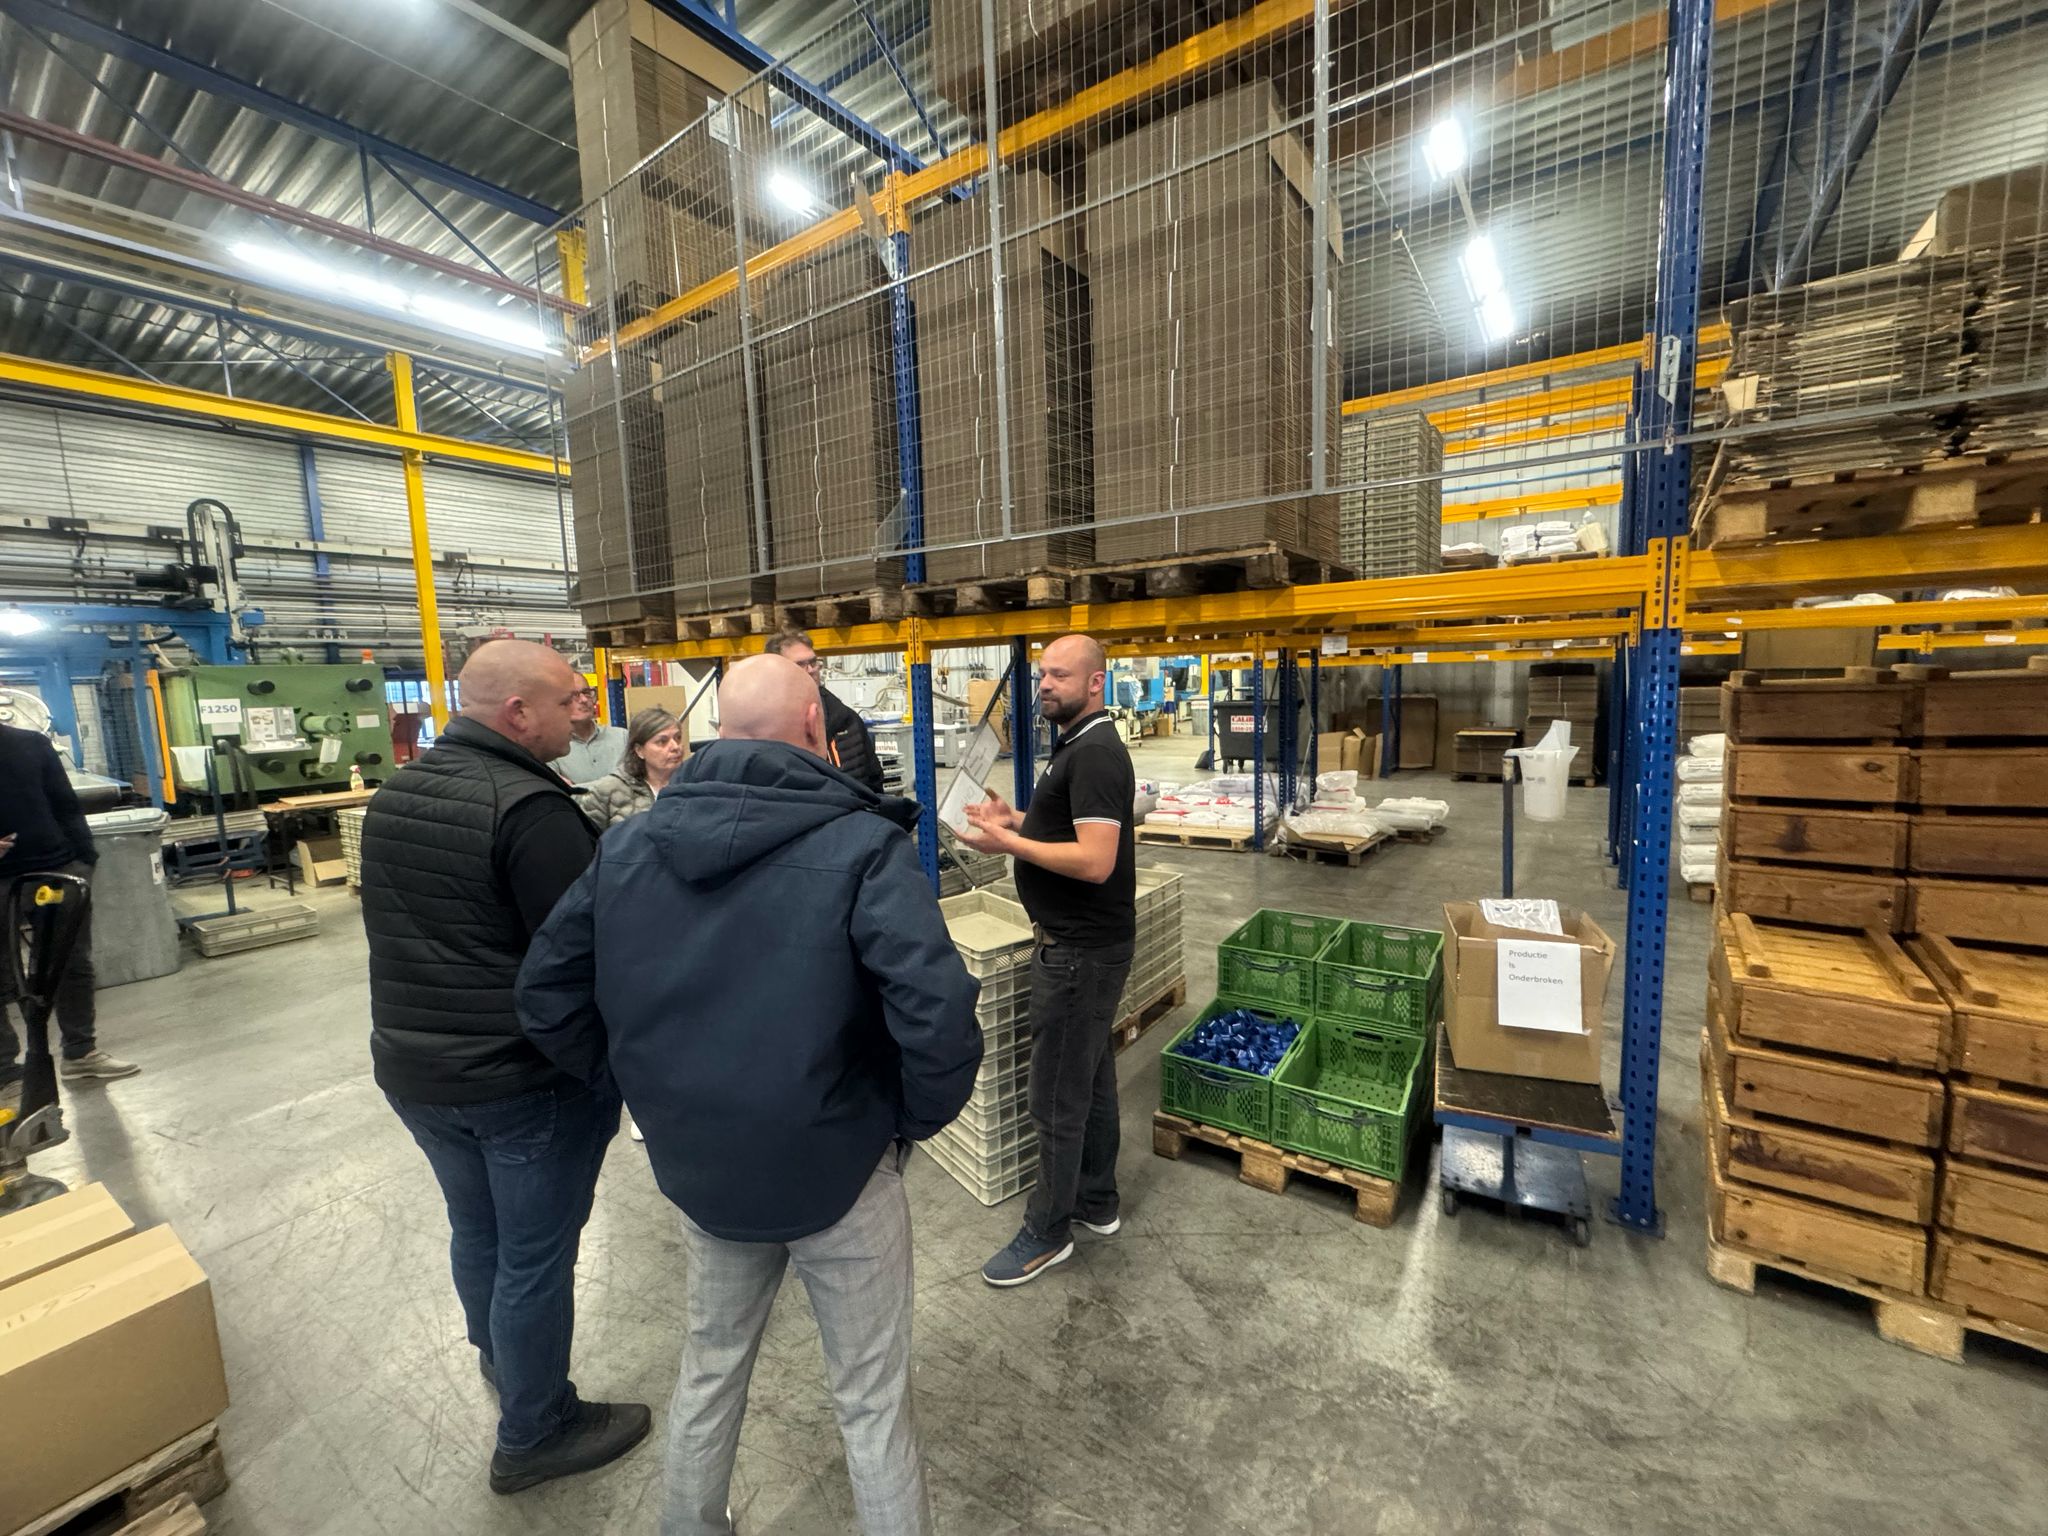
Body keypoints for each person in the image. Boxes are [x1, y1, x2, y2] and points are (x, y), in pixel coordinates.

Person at [518, 653, 983, 1536]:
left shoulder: (627, 846)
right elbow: (940, 1014)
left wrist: (646, 1093)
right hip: (840, 1167)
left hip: (704, 1167)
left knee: (711, 1363)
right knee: (871, 1397)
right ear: (816, 728)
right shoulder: (862, 845)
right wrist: (902, 1124)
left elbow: (546, 996)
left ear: (716, 731)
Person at [360, 639, 650, 1495]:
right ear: (518, 712)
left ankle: (505, 1360)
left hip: (417, 1071)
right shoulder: (529, 811)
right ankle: (536, 1430)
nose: (582, 711)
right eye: (569, 699)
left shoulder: (401, 791)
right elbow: (588, 955)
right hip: (520, 1082)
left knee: (479, 1230)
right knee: (535, 1257)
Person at [955, 634, 1136, 1288]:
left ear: (1095, 683)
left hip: (1079, 953)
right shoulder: (1077, 745)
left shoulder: (1096, 753)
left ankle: (1048, 1231)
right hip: (1088, 947)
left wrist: (1009, 844)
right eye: (1042, 675)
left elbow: (1095, 860)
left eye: (1060, 675)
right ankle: (1096, 1201)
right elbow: (1071, 827)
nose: (1046, 685)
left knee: (1056, 1098)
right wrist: (1018, 820)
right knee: (1090, 1081)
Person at [0, 722, 139, 1090]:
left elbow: (65, 806)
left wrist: (84, 860)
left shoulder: (32, 744)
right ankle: (4, 1071)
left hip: (55, 872)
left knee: (70, 963)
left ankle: (80, 1052)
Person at [762, 627, 885, 793]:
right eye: (800, 665)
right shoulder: (764, 729)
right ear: (776, 671)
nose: (811, 670)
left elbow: (874, 780)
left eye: (813, 662)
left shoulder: (847, 721)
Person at [583, 707, 687, 830]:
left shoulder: (694, 783)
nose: (675, 747)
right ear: (639, 750)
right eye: (662, 741)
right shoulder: (608, 791)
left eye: (678, 738)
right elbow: (589, 838)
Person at [549, 676, 628, 784]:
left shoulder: (622, 737)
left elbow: (637, 783)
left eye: (587, 692)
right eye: (574, 695)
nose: (584, 700)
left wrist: (576, 789)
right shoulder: (551, 749)